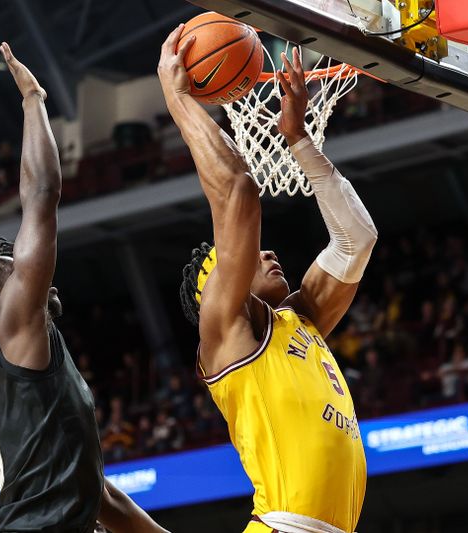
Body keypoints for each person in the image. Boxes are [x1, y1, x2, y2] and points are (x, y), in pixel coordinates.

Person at [0, 42, 168, 533]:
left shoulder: (6, 368)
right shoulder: (10, 333)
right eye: (10, 269)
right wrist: (33, 99)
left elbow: (98, 494)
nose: (29, 270)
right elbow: (41, 193)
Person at [160, 27, 377, 533]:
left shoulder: (300, 320)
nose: (266, 251)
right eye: (243, 255)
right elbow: (236, 191)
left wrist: (299, 138)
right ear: (217, 285)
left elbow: (356, 240)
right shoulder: (225, 332)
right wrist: (177, 95)